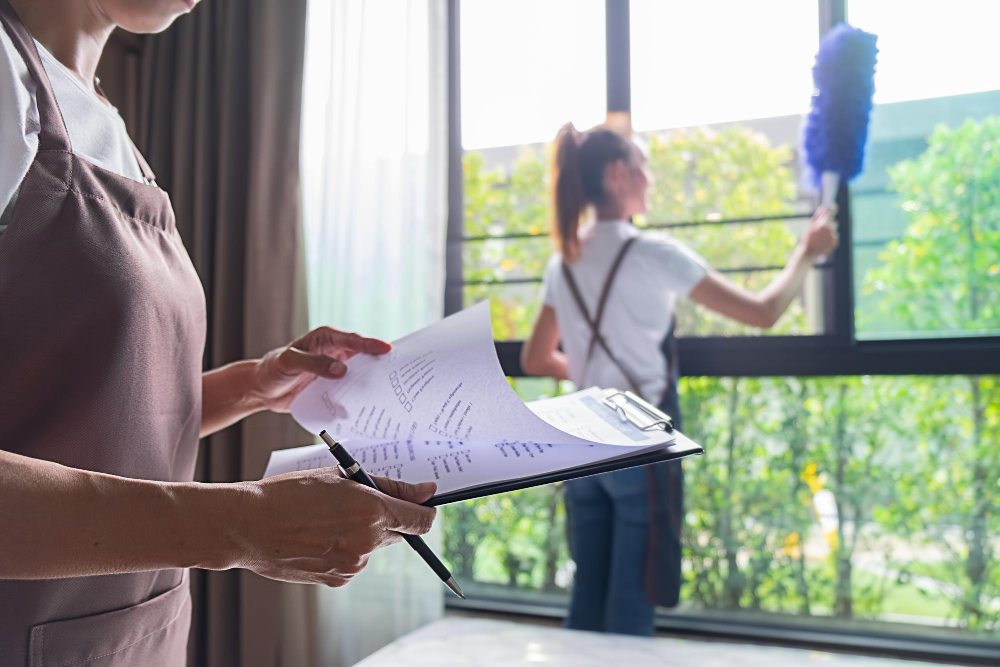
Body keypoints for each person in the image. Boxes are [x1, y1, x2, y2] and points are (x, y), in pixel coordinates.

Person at [0, 1, 436, 664]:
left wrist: (250, 385)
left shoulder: (102, 117)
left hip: (130, 634)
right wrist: (239, 525)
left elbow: (72, 408)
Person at [521, 123, 838, 636]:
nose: (650, 178)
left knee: (587, 592)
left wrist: (586, 372)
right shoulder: (653, 254)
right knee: (632, 597)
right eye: (643, 166)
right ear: (619, 174)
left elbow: (537, 358)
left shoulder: (566, 259)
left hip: (578, 444)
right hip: (635, 446)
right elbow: (763, 312)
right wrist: (807, 251)